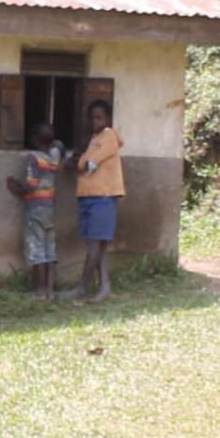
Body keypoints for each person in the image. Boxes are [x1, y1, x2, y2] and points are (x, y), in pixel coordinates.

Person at [68, 100, 125, 302]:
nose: (94, 121)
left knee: (94, 247)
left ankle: (82, 287)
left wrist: (80, 162)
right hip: (89, 196)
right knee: (97, 247)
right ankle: (105, 286)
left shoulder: (108, 135)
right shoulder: (94, 138)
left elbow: (90, 164)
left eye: (99, 117)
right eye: (92, 118)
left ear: (108, 118)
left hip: (103, 196)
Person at [6, 123, 64, 299]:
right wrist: (54, 142)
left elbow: (30, 186)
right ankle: (50, 290)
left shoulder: (34, 158)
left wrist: (15, 186)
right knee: (50, 248)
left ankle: (40, 290)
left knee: (37, 247)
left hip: (35, 208)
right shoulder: (54, 156)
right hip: (49, 208)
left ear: (34, 139)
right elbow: (59, 145)